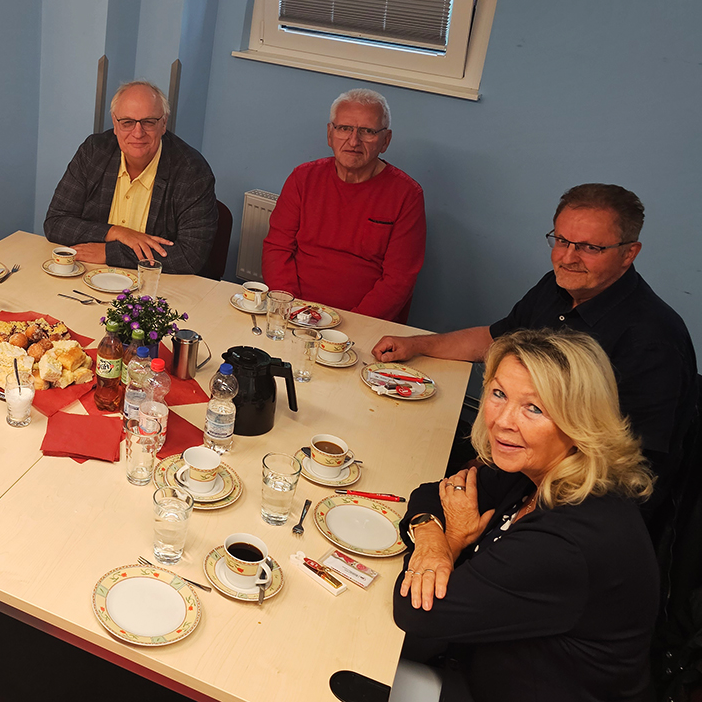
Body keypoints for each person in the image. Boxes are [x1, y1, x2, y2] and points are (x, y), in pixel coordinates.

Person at [372, 184, 697, 506]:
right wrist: (416, 344)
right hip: (508, 457)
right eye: (562, 241)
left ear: (629, 253)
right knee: (396, 446)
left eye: (589, 248)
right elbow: (495, 338)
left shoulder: (654, 342)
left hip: (565, 496)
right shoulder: (558, 287)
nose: (568, 258)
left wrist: (484, 473)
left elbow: (625, 467)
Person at [394, 329, 657, 701]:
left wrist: (451, 541)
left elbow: (416, 614)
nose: (503, 421)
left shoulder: (568, 540)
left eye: (534, 408)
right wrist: (433, 539)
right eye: (499, 394)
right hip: (478, 665)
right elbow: (432, 494)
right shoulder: (533, 468)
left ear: (579, 421)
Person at [261, 89, 425, 323]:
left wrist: (352, 325)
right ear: (330, 134)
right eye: (345, 128)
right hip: (294, 312)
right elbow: (277, 249)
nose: (354, 140)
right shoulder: (302, 178)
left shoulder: (407, 195)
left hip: (363, 324)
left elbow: (399, 281)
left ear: (385, 141)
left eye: (367, 131)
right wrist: (293, 309)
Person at [44, 80, 218, 274]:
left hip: (156, 286)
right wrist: (117, 233)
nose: (138, 133)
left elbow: (190, 256)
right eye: (127, 122)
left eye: (148, 122)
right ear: (115, 123)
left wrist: (110, 253)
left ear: (164, 123)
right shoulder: (94, 152)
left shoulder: (192, 171)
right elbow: (56, 222)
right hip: (89, 275)